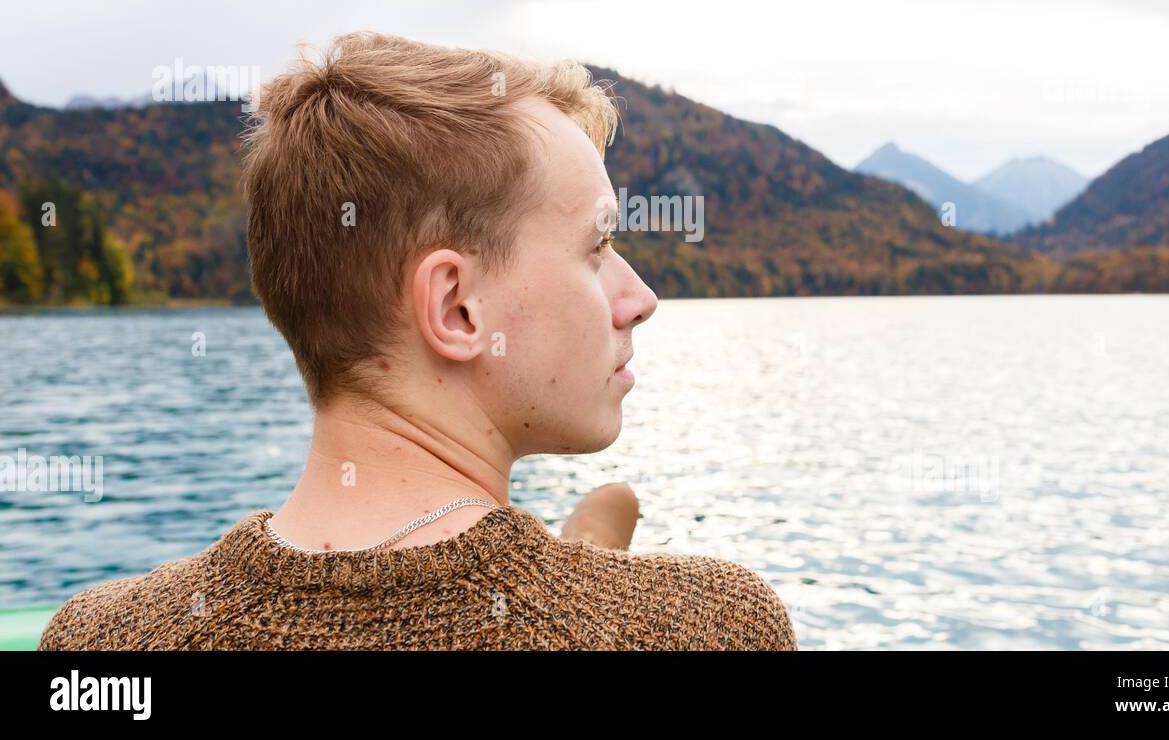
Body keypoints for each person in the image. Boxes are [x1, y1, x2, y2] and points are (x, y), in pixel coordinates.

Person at [36, 32, 798, 650]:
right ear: (458, 309)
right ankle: (586, 554)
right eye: (597, 248)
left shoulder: (96, 638)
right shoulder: (712, 625)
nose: (640, 299)